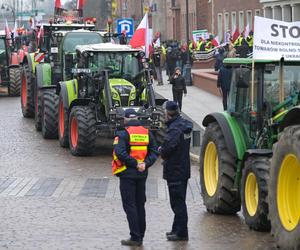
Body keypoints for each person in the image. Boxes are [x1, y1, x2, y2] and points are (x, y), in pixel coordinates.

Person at [112, 109, 158, 246]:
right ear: (137, 118)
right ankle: (140, 235)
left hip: (127, 173)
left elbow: (119, 152)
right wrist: (145, 163)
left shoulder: (123, 133)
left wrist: (135, 163)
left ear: (126, 119)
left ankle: (135, 237)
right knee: (140, 205)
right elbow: (154, 151)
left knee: (130, 205)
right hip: (142, 173)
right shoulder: (147, 132)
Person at [158, 101, 193, 242]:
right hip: (182, 168)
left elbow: (167, 149)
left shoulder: (174, 129)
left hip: (175, 169)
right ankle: (176, 229)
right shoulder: (183, 125)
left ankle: (182, 233)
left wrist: (161, 150)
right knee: (179, 202)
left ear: (168, 113)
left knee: (177, 203)